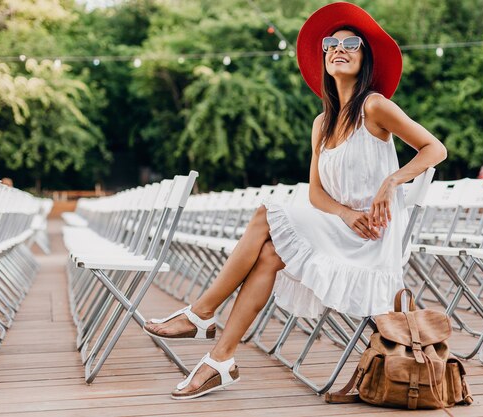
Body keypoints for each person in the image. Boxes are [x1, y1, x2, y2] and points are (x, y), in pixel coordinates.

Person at [143, 2, 447, 400]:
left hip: (373, 238)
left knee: (266, 214)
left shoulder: (375, 106)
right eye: (331, 44)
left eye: (351, 43)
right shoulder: (322, 124)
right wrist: (345, 213)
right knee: (269, 254)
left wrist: (392, 181)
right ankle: (220, 360)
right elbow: (316, 193)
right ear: (324, 57)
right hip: (342, 225)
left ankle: (201, 315)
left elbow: (434, 149)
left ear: (365, 58)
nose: (339, 48)